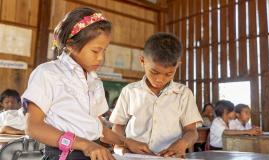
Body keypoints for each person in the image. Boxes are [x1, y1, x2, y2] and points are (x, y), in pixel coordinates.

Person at [22, 7, 140, 160]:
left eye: (104, 51)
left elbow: (98, 129)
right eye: (95, 51)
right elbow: (33, 127)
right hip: (64, 155)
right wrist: (85, 145)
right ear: (71, 45)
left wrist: (126, 142)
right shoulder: (48, 73)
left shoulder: (94, 80)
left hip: (94, 152)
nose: (100, 58)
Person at [110, 32, 203, 157]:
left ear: (177, 66)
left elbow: (192, 131)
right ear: (142, 61)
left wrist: (183, 143)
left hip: (169, 157)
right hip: (134, 156)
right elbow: (118, 126)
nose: (160, 79)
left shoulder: (183, 94)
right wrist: (123, 146)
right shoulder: (130, 91)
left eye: (168, 74)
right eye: (154, 72)